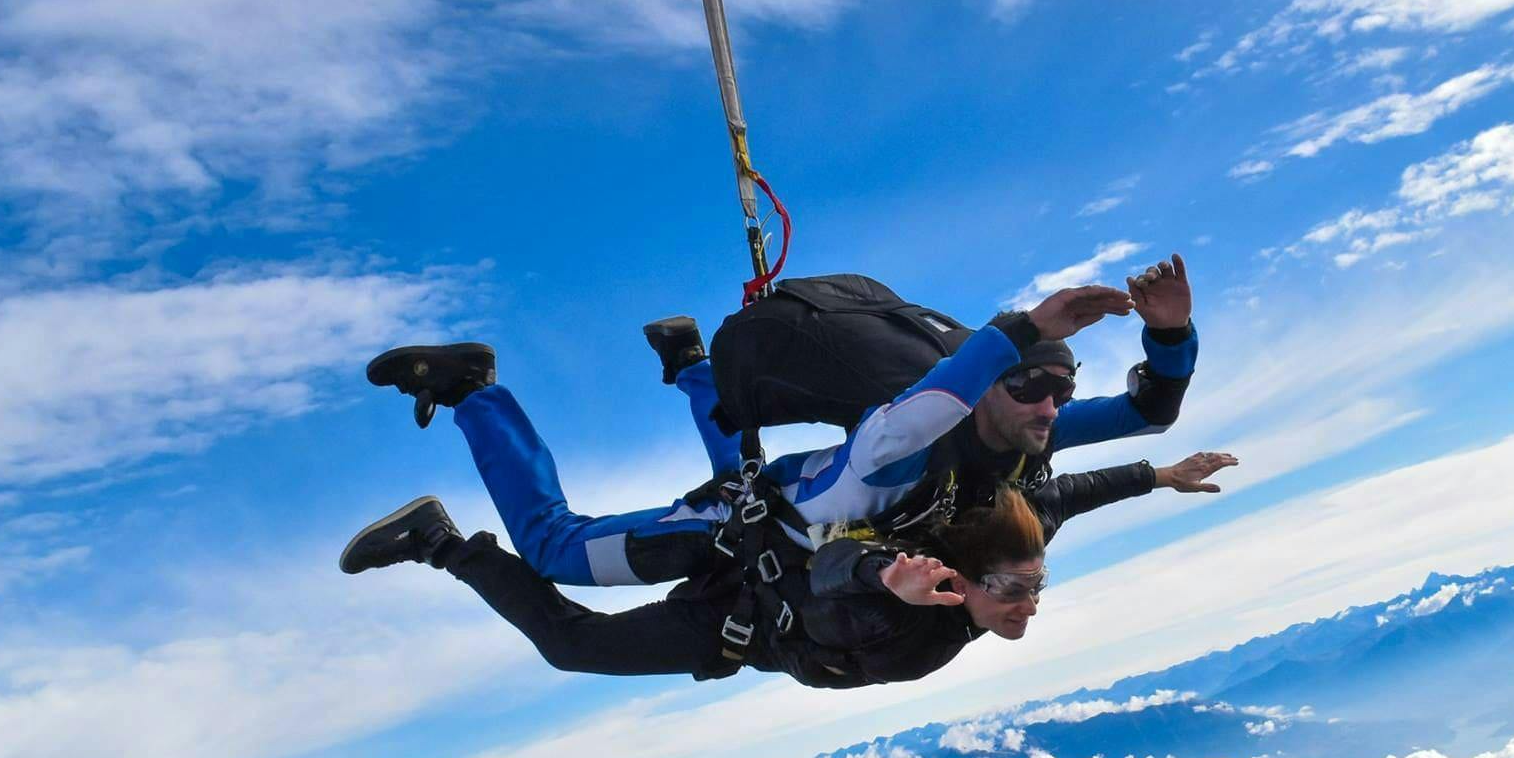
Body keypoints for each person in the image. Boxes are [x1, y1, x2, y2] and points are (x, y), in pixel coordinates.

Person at [362, 258, 1198, 591]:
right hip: (741, 521)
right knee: (551, 550)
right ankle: (472, 389)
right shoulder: (900, 445)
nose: (1050, 406)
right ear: (984, 389)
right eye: (1027, 387)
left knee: (749, 457)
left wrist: (1167, 334)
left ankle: (694, 362)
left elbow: (1146, 413)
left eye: (1062, 388)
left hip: (782, 501)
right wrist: (1021, 327)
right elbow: (931, 403)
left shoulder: (1024, 434)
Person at [340, 450, 1237, 689]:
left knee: (579, 595)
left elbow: (1062, 498)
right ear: (961, 577)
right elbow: (842, 568)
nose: (1028, 607)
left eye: (1035, 591)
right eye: (1015, 593)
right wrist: (887, 578)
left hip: (756, 585)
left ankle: (690, 366)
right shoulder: (914, 585)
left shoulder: (1001, 546)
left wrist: (1158, 476)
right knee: (573, 640)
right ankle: (443, 544)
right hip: (744, 609)